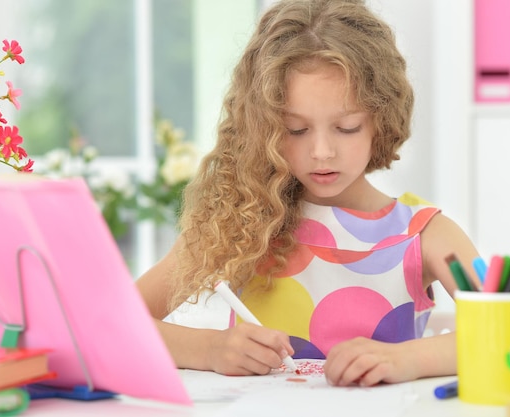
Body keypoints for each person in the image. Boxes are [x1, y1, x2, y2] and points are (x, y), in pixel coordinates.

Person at [136, 0, 480, 387]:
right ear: (262, 129)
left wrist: (408, 359)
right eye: (295, 130)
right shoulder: (241, 221)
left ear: (381, 121)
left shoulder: (426, 234)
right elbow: (110, 321)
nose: (321, 152)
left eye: (347, 127)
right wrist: (207, 349)